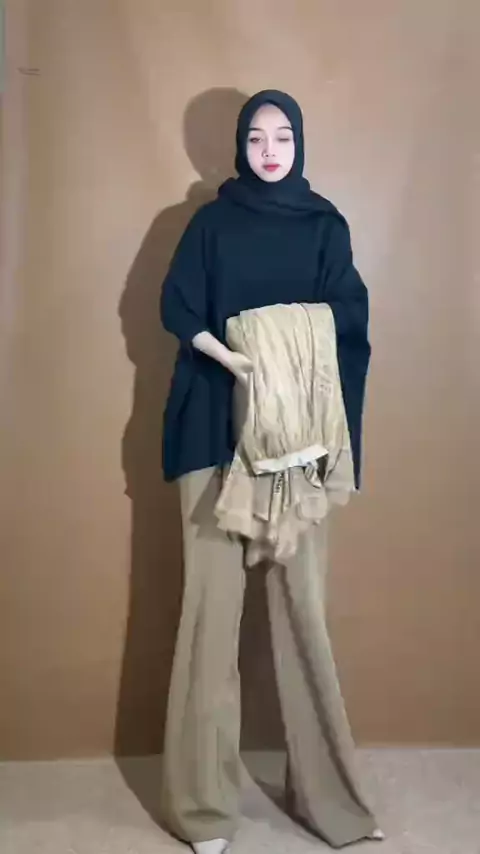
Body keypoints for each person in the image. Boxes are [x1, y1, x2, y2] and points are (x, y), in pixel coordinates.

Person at [159, 90, 383, 854]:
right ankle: (202, 811)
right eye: (255, 137)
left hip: (298, 445)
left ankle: (332, 804)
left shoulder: (324, 227)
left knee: (303, 620)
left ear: (299, 142)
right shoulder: (210, 225)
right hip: (213, 435)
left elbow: (350, 318)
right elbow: (178, 307)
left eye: (282, 136)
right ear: (239, 145)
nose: (269, 150)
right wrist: (232, 357)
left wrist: (283, 359)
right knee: (208, 624)